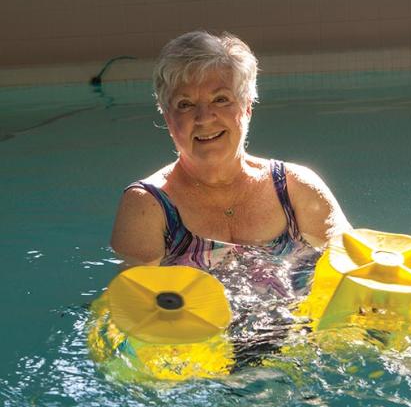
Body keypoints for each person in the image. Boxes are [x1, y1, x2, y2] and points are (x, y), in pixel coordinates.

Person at [110, 31, 350, 297]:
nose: (204, 118)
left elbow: (353, 271)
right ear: (168, 119)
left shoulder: (296, 188)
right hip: (201, 338)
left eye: (220, 99)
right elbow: (134, 310)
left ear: (247, 107)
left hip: (302, 333)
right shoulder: (148, 206)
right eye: (185, 104)